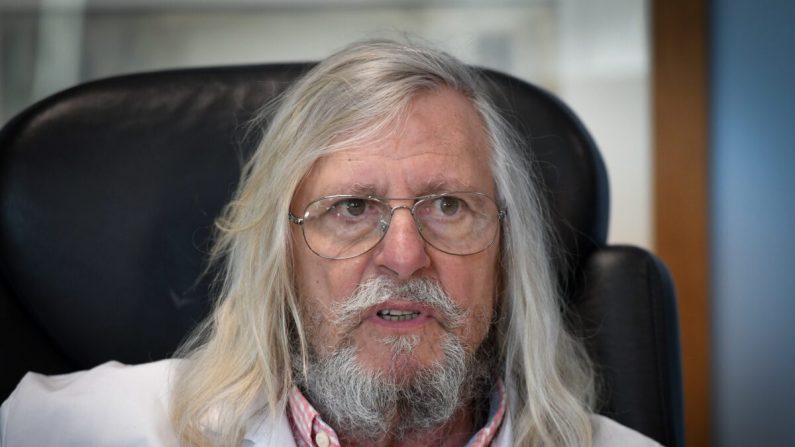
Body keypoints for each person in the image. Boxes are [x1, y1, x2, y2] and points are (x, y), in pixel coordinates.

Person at [0, 39, 661, 447]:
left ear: (506, 258)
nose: (403, 254)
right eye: (350, 207)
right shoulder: (100, 429)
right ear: (280, 257)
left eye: (448, 205)